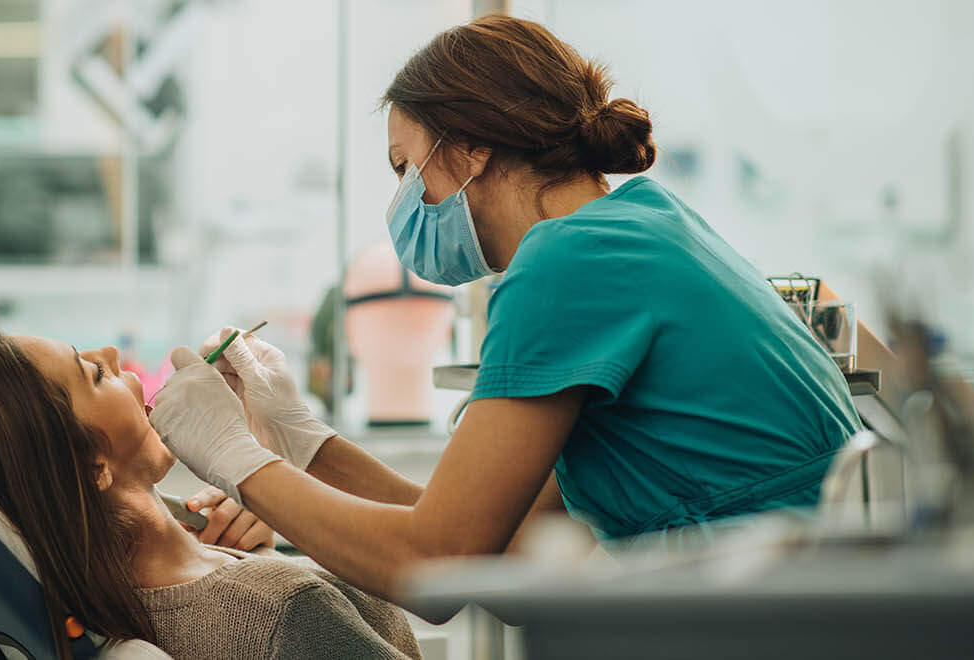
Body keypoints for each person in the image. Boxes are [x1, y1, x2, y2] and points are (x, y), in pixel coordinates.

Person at [148, 14, 861, 612]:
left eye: (405, 168)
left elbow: (439, 565)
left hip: (779, 618)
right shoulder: (640, 225)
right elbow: (498, 540)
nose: (402, 201)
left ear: (471, 146)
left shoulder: (568, 263)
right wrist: (304, 445)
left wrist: (236, 458)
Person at [0, 331, 421, 659]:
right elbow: (442, 555)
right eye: (93, 374)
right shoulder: (280, 608)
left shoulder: (97, 603)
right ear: (95, 466)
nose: (112, 353)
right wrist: (266, 571)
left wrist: (257, 548)